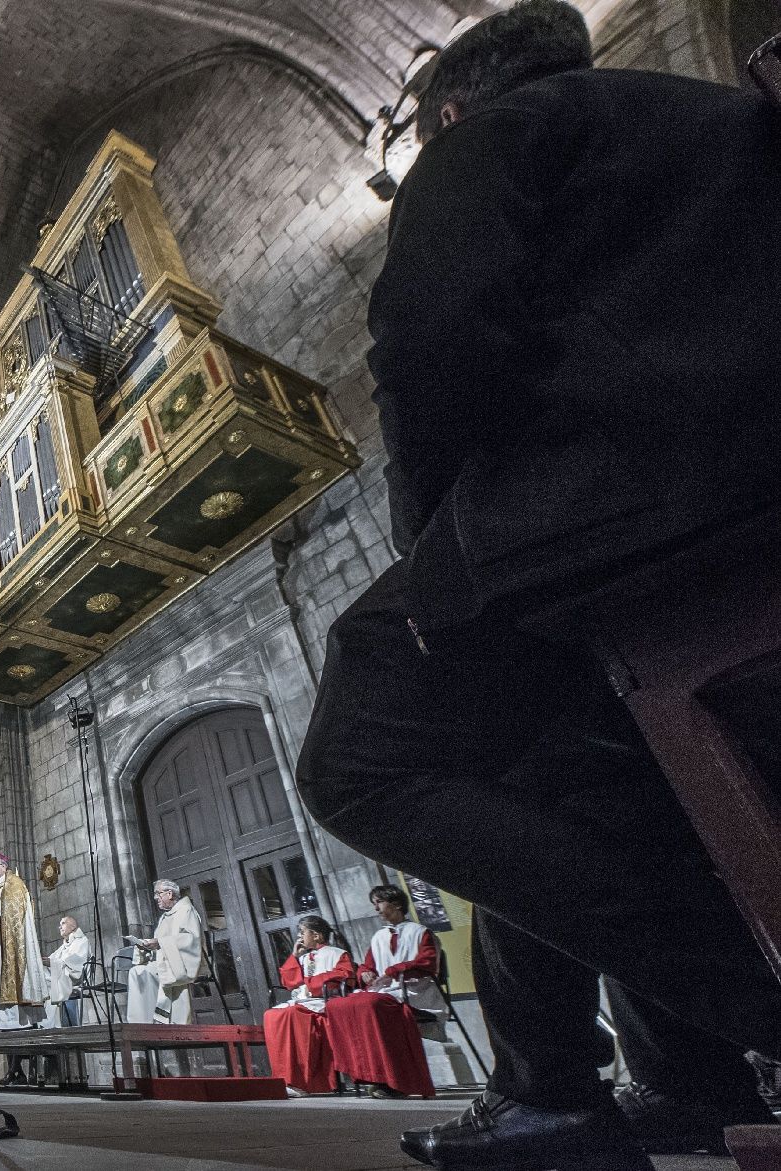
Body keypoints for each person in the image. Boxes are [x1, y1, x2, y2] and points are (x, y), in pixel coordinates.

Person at [293, 3, 781, 1165]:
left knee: (360, 756)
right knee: (565, 769)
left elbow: (426, 338)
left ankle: (734, 1005)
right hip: (741, 508)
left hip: (614, 517)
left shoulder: (491, 137)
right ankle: (670, 1076)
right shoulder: (730, 123)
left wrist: (438, 559)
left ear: (447, 110)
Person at [322, 887, 437, 1100]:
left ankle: (395, 1079)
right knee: (338, 1005)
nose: (376, 908)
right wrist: (365, 973)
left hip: (411, 988)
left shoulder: (420, 932)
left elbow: (427, 962)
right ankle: (368, 1075)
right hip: (385, 990)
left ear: (397, 905)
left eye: (379, 902)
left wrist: (393, 971)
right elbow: (367, 965)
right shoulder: (378, 937)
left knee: (372, 1005)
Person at [264, 914, 355, 1096]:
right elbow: (291, 981)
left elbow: (345, 976)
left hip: (325, 1001)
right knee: (271, 1015)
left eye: (302, 932)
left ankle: (301, 1082)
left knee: (293, 1014)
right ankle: (284, 1078)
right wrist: (294, 956)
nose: (299, 936)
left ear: (316, 935)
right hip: (306, 1001)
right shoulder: (305, 958)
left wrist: (313, 982)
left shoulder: (336, 954)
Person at [0, 853, 50, 1029]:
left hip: (6, 943)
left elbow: (10, 909)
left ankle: (15, 1021)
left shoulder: (14, 884)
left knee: (4, 973)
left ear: (3, 866)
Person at [124, 879, 204, 1025]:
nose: (156, 898)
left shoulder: (186, 911)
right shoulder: (164, 917)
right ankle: (140, 1023)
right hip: (165, 962)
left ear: (170, 894)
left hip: (180, 965)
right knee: (136, 972)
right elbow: (160, 945)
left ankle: (154, 1021)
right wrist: (146, 948)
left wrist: (160, 943)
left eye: (158, 894)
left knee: (142, 973)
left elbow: (191, 940)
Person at [43, 916, 90, 1027]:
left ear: (73, 926)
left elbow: (76, 964)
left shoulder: (82, 941)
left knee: (48, 986)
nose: (60, 926)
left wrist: (52, 963)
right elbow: (54, 958)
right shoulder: (65, 945)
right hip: (62, 978)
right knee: (42, 979)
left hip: (75, 981)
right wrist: (44, 961)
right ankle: (46, 1024)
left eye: (63, 923)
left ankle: (50, 1026)